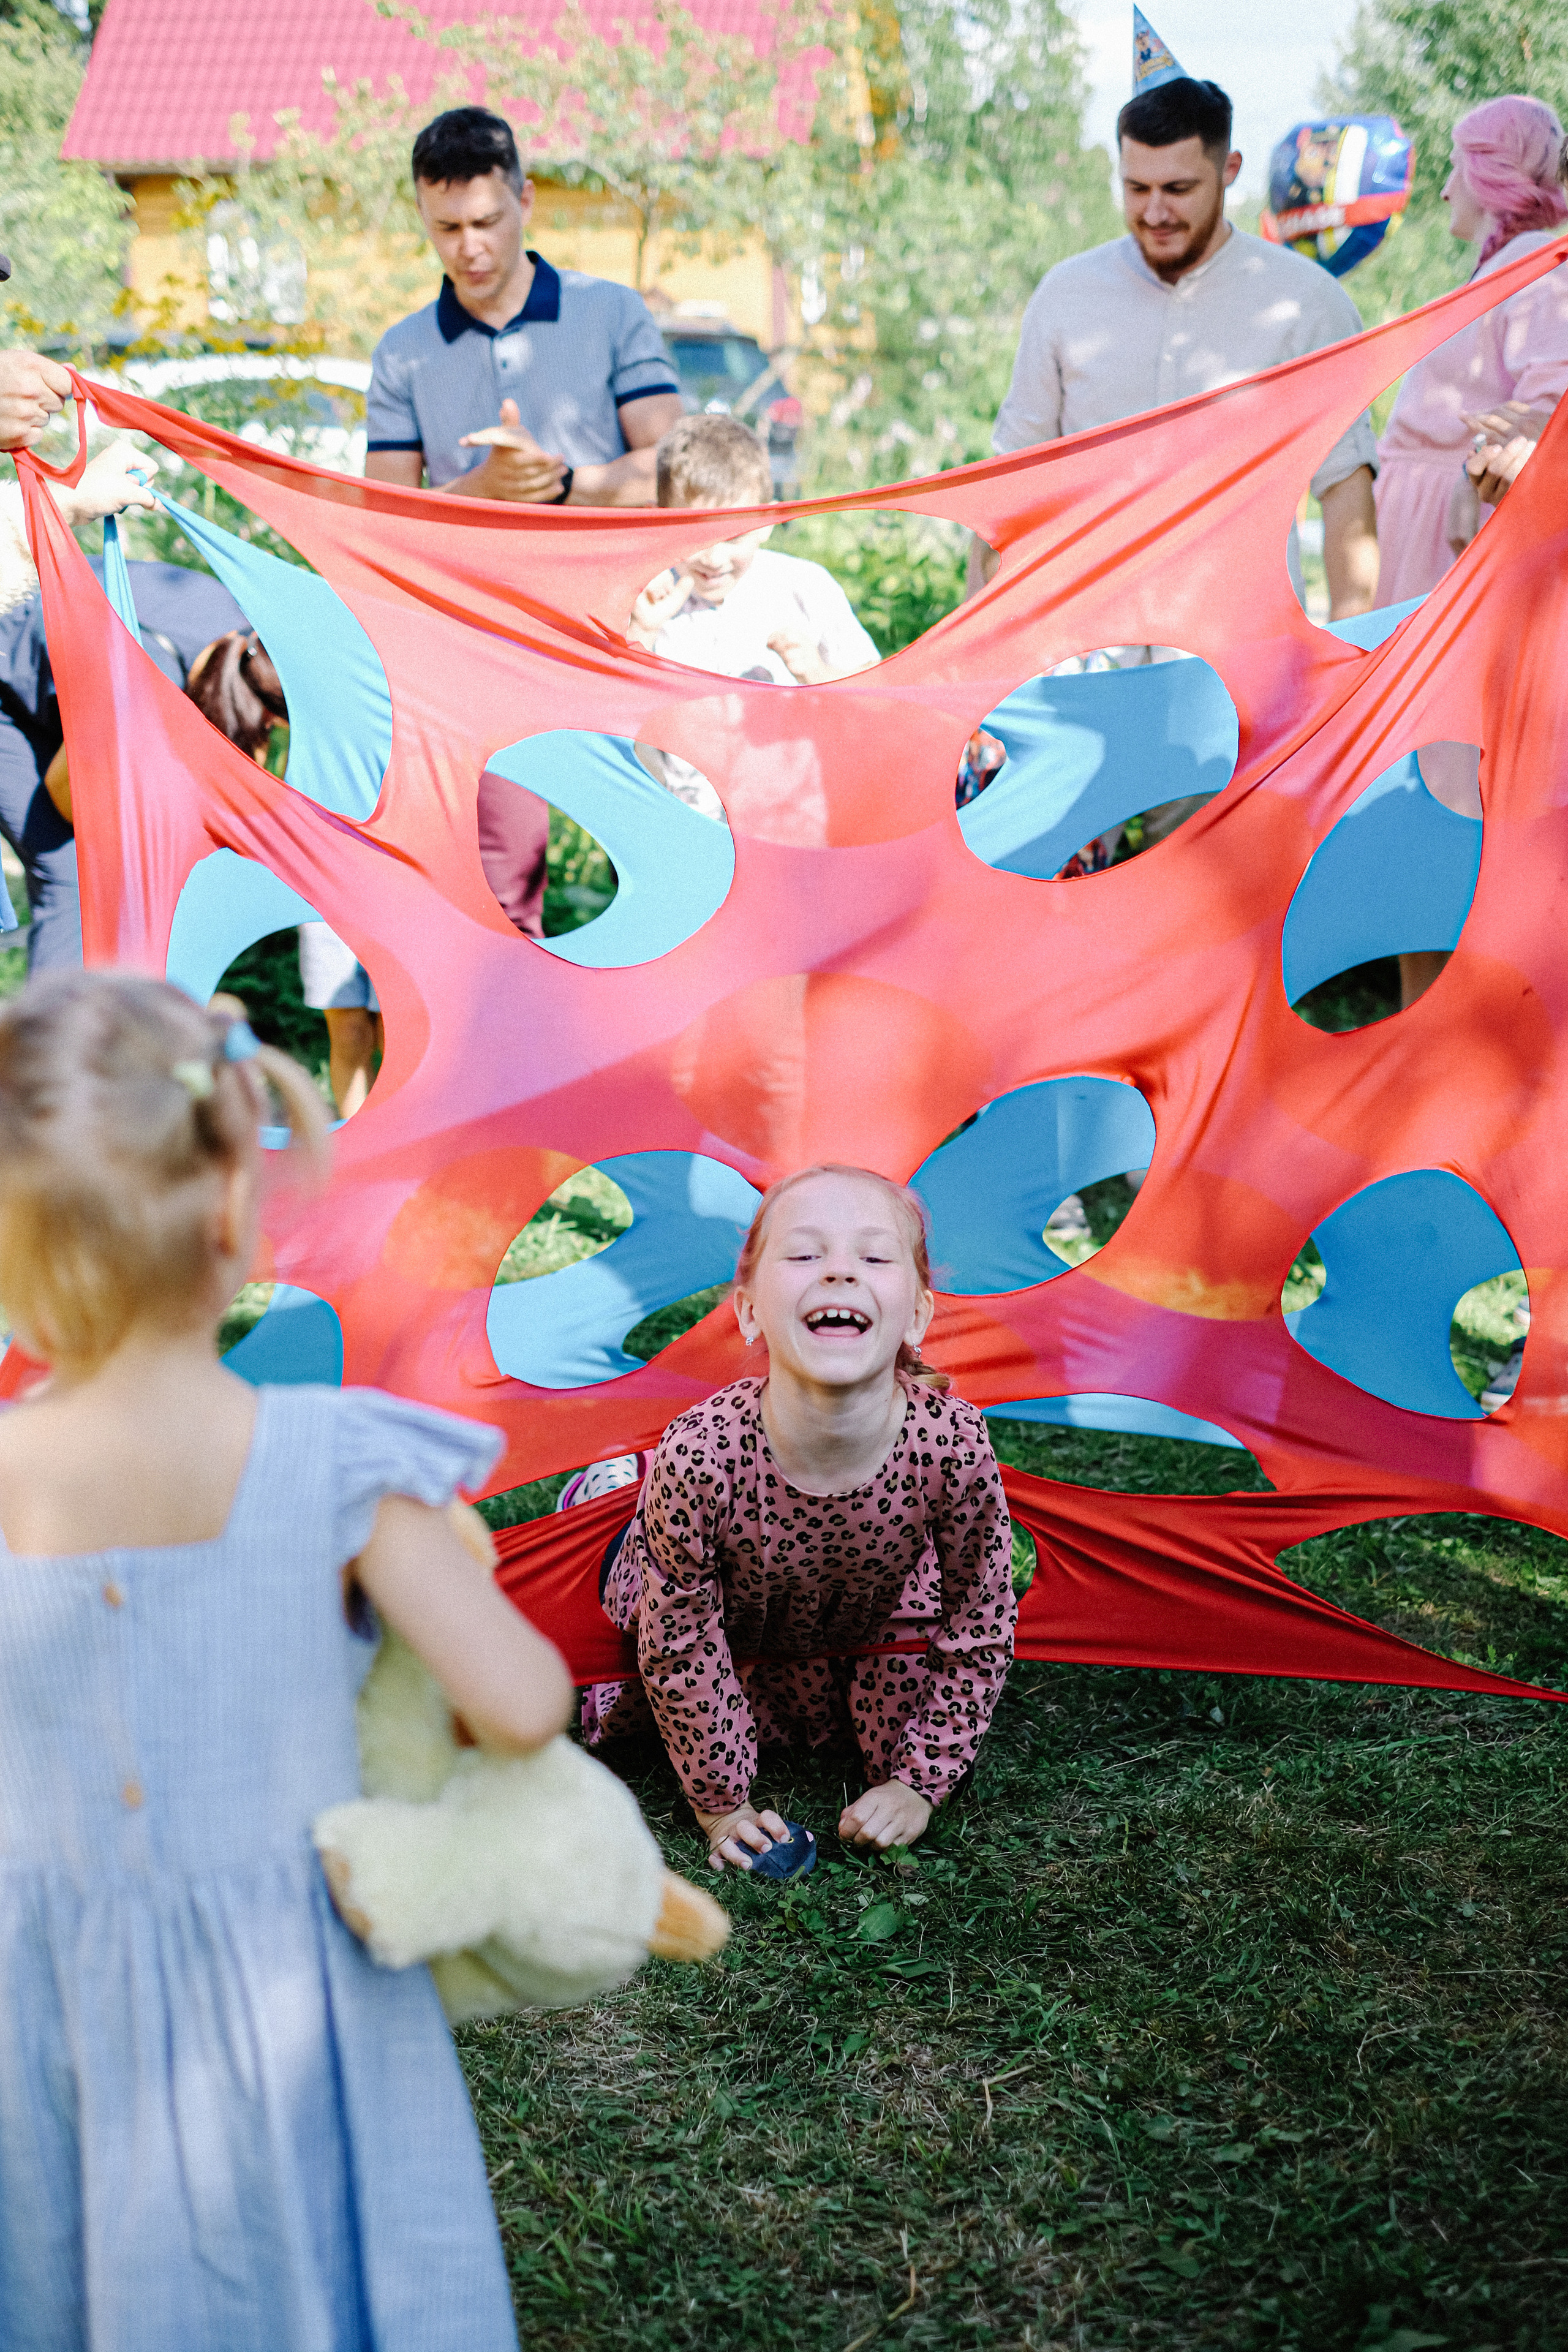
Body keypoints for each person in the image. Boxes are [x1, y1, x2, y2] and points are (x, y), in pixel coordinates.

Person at [0, 967, 572, 2347]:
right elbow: (522, 1703)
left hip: (40, 1993)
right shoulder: (337, 1463)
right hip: (296, 1988)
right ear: (229, 1213)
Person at [578, 1164, 1017, 1874]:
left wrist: (918, 1782)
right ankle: (612, 1486)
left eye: (874, 1257)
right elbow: (681, 1644)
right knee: (640, 1673)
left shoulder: (953, 1444)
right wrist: (720, 1805)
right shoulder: (700, 1455)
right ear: (750, 1311)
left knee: (892, 1728)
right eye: (806, 1253)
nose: (839, 1272)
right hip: (722, 1610)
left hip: (863, 1609)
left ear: (916, 1316)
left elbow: (980, 1619)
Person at [984, 75, 1381, 627]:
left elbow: (1343, 486)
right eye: (1136, 188)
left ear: (1229, 169)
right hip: (1089, 645)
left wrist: (1352, 647)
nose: (1154, 212)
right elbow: (1011, 482)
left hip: (1246, 645)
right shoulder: (1065, 295)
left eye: (1177, 189)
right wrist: (982, 650)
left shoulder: (1307, 302)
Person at [364, 107, 684, 508]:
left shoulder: (615, 312)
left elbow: (677, 470)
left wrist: (557, 484)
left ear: (526, 201)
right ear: (422, 216)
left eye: (486, 223)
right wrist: (482, 488)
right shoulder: (400, 353)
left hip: (604, 552)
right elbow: (385, 512)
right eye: (448, 228)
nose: (470, 248)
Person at [0, 492, 246, 968]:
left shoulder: (249, 637)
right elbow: (66, 795)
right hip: (10, 674)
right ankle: (66, 1017)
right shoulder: (147, 669)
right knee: (70, 869)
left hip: (62, 684)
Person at [625, 414, 880, 818]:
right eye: (695, 534)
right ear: (658, 519)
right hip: (681, 828)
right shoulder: (648, 597)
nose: (714, 557)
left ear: (767, 522)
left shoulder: (804, 588)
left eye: (733, 536)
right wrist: (642, 630)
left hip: (790, 829)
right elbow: (611, 716)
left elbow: (880, 701)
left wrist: (818, 673)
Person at [1374, 96, 1568, 608]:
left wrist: (1470, 473)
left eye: (1455, 166)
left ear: (1488, 172)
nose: (1445, 190)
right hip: (1423, 528)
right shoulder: (1506, 267)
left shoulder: (1534, 263)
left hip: (1458, 528)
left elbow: (1552, 407)